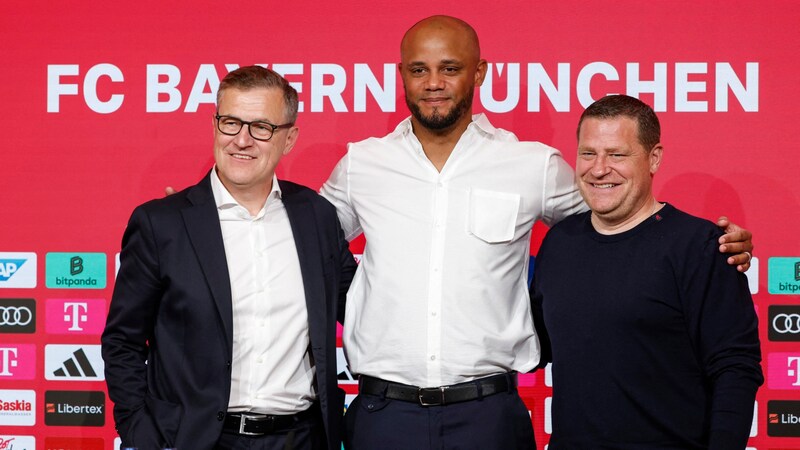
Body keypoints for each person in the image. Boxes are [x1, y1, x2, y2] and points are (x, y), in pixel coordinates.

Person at [319, 15, 755, 450]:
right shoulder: (363, 164)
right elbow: (305, 241)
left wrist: (708, 245)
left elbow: (620, 214)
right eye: (419, 69)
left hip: (489, 416)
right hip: (384, 414)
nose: (434, 82)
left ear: (479, 72)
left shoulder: (533, 164)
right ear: (402, 76)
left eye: (450, 68)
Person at [102, 66, 357, 450]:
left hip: (301, 439)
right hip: (194, 440)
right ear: (214, 125)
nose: (242, 140)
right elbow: (123, 340)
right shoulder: (162, 223)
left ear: (289, 139)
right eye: (231, 123)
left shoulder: (315, 216)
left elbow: (357, 309)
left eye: (261, 127)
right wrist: (140, 430)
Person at [530, 94, 763, 449]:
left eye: (617, 154)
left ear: (654, 158)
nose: (599, 168)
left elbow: (735, 367)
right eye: (588, 153)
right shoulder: (560, 242)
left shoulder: (701, 247)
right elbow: (535, 346)